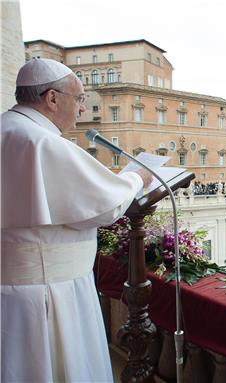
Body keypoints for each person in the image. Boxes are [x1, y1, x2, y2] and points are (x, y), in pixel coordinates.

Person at [1, 58, 152, 382]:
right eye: (80, 99)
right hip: (48, 294)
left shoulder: (8, 128)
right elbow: (105, 205)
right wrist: (138, 179)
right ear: (52, 98)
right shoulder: (40, 141)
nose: (83, 109)